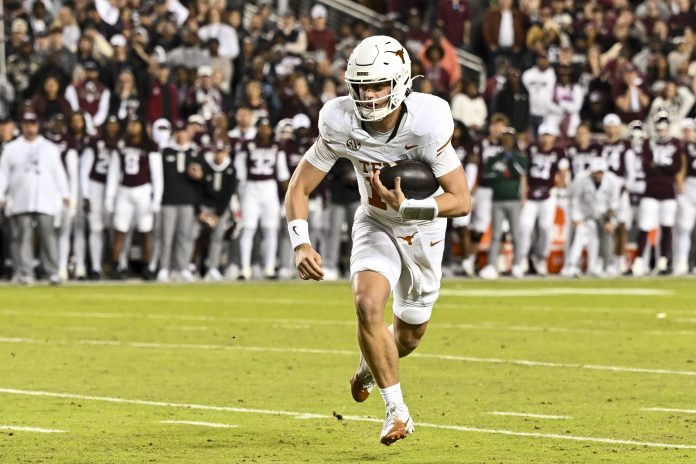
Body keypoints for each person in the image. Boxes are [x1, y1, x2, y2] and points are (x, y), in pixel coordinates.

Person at [284, 36, 471, 445]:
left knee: (408, 337)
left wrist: (411, 208)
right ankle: (396, 411)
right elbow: (299, 188)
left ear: (401, 81)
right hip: (375, 222)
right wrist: (301, 243)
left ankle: (368, 367)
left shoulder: (428, 119)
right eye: (361, 85)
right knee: (367, 305)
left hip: (424, 230)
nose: (367, 95)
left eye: (377, 85)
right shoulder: (338, 119)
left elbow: (461, 200)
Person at [0, 112, 70, 285]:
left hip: (46, 199)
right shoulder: (11, 149)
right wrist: (0, 194)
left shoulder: (50, 148)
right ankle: (25, 272)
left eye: (32, 124)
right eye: (26, 124)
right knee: (22, 236)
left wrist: (65, 193)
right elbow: (3, 174)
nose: (30, 128)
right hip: (20, 197)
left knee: (48, 236)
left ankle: (52, 272)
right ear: (21, 126)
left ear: (38, 125)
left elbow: (59, 173)